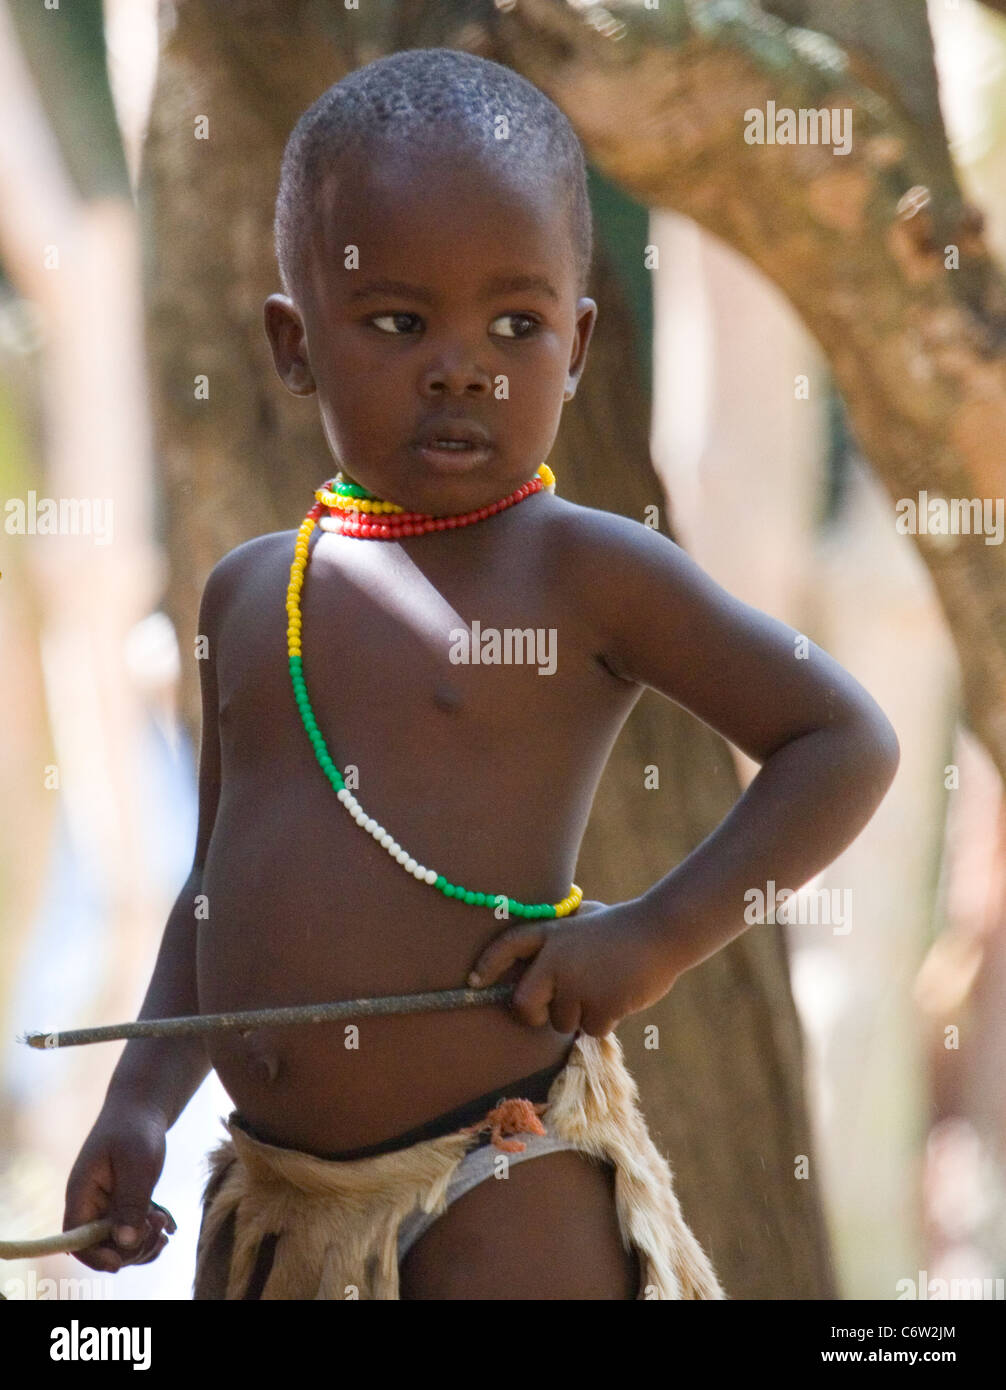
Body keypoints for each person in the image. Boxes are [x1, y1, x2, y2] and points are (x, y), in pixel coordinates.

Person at [62, 47, 899, 1300]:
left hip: (499, 1174)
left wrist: (653, 938)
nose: (462, 366)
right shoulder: (252, 594)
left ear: (576, 345)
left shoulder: (589, 572)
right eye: (398, 322)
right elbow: (216, 879)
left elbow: (844, 739)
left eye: (515, 325)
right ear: (295, 345)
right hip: (277, 1202)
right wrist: (137, 1102)